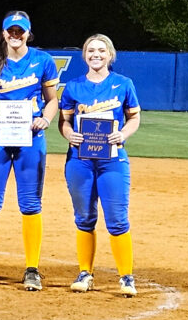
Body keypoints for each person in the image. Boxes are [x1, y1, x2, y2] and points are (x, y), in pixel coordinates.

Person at [0, 10, 59, 291]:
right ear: (4, 32)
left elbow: (52, 100)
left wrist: (45, 118)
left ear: (28, 33)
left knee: (31, 204)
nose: (15, 35)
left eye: (20, 31)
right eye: (11, 30)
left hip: (31, 138)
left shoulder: (42, 61)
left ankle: (32, 268)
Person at [58, 34, 141, 297]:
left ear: (110, 54)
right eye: (91, 50)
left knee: (117, 220)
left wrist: (124, 134)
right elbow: (65, 122)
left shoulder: (123, 84)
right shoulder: (73, 87)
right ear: (84, 55)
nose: (96, 54)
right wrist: (69, 134)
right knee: (84, 218)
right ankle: (85, 273)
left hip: (113, 161)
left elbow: (134, 118)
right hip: (80, 161)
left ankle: (126, 277)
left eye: (101, 50)